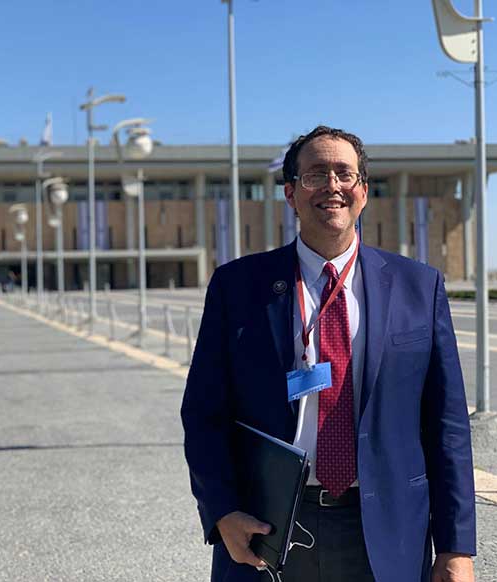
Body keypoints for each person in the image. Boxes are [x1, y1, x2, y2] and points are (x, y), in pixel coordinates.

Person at [181, 126, 475, 582]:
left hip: (386, 529)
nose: (332, 186)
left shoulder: (420, 287)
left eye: (345, 174)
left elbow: (447, 424)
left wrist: (456, 548)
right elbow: (203, 414)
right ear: (291, 193)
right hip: (269, 527)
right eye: (316, 175)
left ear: (364, 191)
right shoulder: (238, 288)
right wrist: (222, 511)